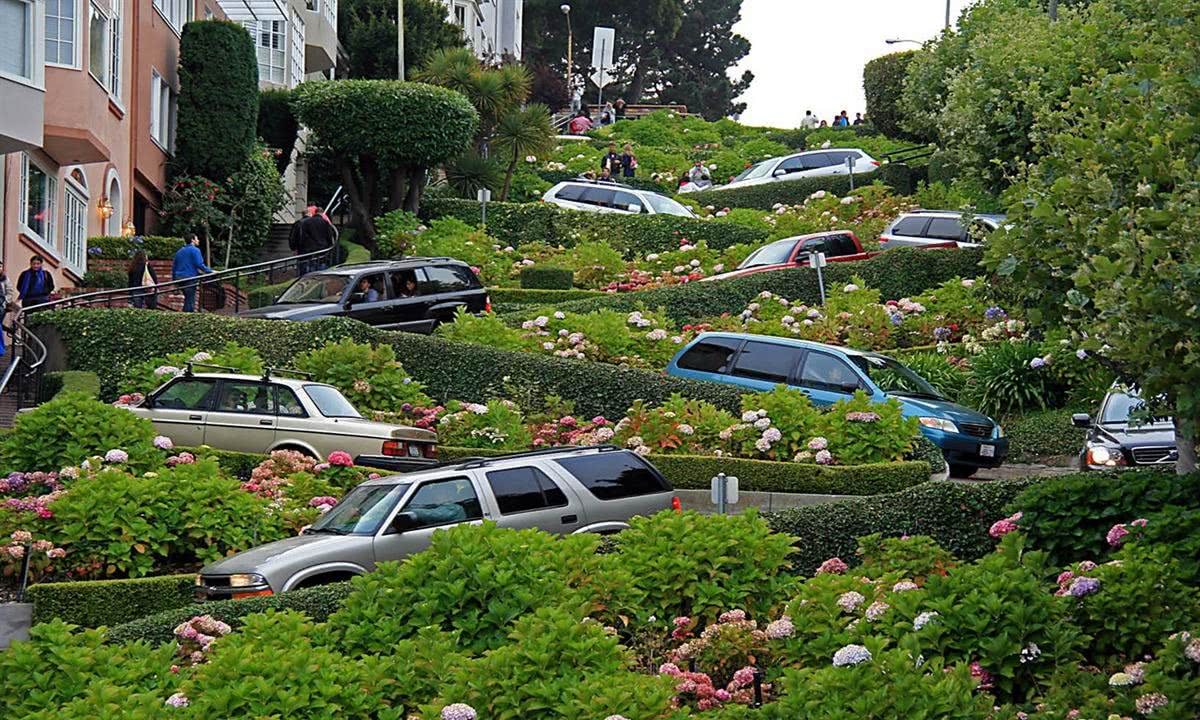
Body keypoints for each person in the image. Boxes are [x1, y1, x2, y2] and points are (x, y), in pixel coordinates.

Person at [171, 234, 213, 313]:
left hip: (179, 278)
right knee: (190, 299)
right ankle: (187, 317)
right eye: (197, 239)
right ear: (192, 240)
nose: (198, 240)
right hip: (189, 277)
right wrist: (210, 271)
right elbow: (199, 264)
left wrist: (174, 281)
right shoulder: (195, 250)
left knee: (188, 298)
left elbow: (174, 267)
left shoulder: (179, 251)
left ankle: (185, 315)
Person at [299, 205, 336, 271]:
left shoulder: (307, 222)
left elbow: (303, 236)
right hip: (323, 248)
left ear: (315, 213)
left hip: (310, 248)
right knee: (322, 264)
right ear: (322, 213)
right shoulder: (325, 222)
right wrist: (331, 246)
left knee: (310, 265)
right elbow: (329, 236)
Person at [0, 261, 13, 355]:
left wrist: (6, 301)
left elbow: (9, 291)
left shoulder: (4, 279)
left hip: (1, 305)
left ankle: (1, 348)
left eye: (0, 267)